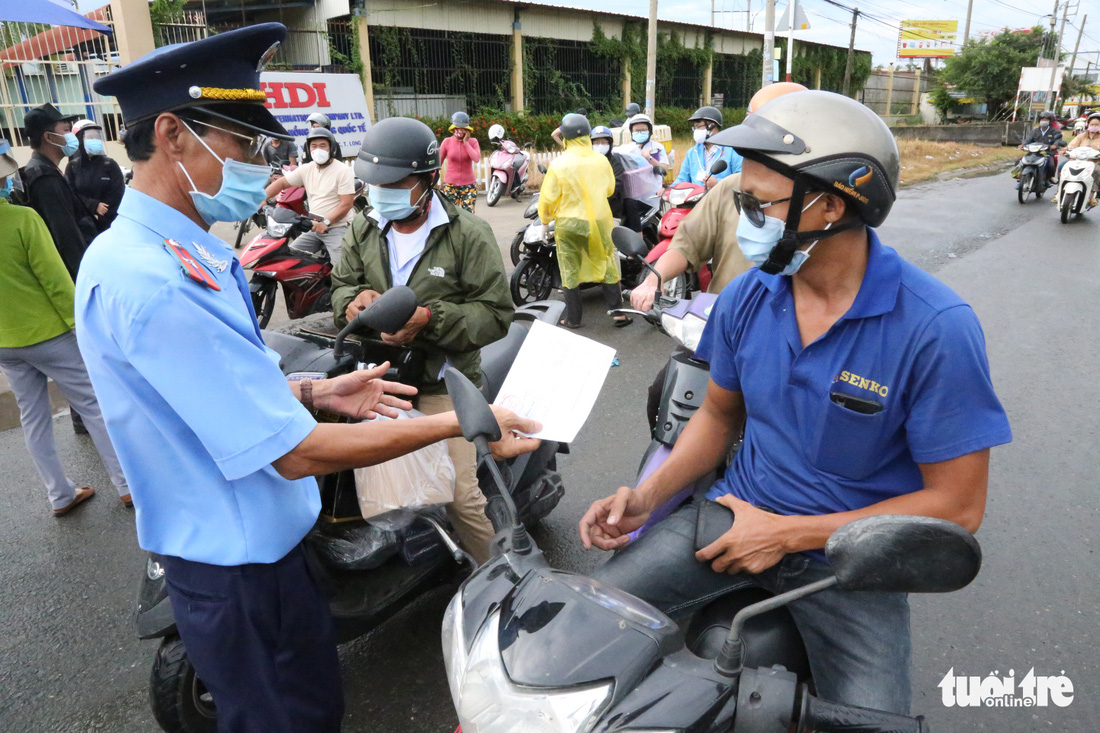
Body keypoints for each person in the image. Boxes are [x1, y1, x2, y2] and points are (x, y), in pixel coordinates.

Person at [77, 25, 538, 732]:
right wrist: (460, 421)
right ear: (173, 135)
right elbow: (292, 451)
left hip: (263, 545)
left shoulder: (161, 255)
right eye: (240, 145)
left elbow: (209, 401)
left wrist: (315, 391)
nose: (259, 166)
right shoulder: (158, 281)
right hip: (241, 569)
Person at [579, 90, 1012, 716]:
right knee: (580, 627)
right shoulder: (746, 298)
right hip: (733, 518)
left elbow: (959, 505)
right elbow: (718, 418)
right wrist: (645, 499)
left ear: (829, 205)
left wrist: (787, 535)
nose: (740, 214)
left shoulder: (935, 328)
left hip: (849, 566)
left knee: (872, 724)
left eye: (756, 203)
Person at [332, 116, 515, 565]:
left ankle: (502, 581)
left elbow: (495, 315)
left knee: (459, 495)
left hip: (442, 385)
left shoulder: (469, 234)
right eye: (374, 183)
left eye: (395, 183)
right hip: (378, 379)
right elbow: (340, 286)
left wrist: (429, 319)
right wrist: (355, 303)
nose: (381, 193)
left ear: (429, 180)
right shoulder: (364, 226)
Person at [0, 139, 130, 515]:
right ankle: (126, 485)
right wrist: (80, 327)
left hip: (6, 343)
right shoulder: (22, 219)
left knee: (33, 418)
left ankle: (59, 494)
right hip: (50, 335)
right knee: (93, 405)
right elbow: (55, 281)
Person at [631, 83, 808, 313]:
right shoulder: (728, 188)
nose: (753, 163)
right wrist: (653, 280)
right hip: (724, 314)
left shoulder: (818, 203)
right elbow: (688, 242)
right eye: (750, 150)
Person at [538, 114, 628, 329]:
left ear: (566, 137)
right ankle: (618, 314)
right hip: (599, 222)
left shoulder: (559, 164)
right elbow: (610, 190)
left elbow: (548, 197)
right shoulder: (601, 160)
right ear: (588, 135)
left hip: (569, 223)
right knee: (607, 263)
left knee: (569, 269)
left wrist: (544, 221)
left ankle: (573, 318)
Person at [21, 103, 97, 281]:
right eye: (66, 130)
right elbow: (67, 238)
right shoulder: (45, 179)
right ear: (49, 137)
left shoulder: (46, 170)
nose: (72, 136)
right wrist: (87, 281)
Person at [264, 126, 355, 265]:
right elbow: (282, 183)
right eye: (314, 146)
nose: (318, 150)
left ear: (331, 148)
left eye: (323, 145)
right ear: (308, 149)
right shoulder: (307, 169)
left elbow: (346, 204)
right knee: (290, 258)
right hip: (313, 227)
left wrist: (327, 222)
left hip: (337, 227)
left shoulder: (342, 170)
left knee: (342, 271)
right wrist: (261, 198)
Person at [66, 119, 126, 234]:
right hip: (83, 227)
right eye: (90, 137)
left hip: (110, 226)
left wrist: (102, 216)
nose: (95, 140)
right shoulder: (72, 167)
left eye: (97, 137)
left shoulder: (110, 165)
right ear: (80, 140)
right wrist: (93, 206)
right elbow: (71, 194)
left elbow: (118, 193)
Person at [616, 112, 668, 232]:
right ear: (632, 132)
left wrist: (649, 157)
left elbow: (664, 169)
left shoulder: (657, 147)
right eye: (636, 130)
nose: (640, 133)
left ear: (650, 131)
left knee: (630, 204)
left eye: (643, 130)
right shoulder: (626, 149)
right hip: (631, 191)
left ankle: (637, 238)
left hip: (651, 194)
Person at [674, 105, 741, 187]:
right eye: (694, 127)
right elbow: (682, 179)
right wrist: (668, 190)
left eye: (698, 127)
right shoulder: (692, 153)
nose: (696, 131)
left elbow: (740, 179)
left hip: (721, 198)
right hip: (696, 198)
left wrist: (718, 183)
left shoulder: (732, 151)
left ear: (711, 125)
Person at [438, 111, 481, 213]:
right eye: (457, 128)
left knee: (468, 215)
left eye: (463, 128)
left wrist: (466, 142)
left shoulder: (473, 142)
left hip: (469, 185)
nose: (460, 131)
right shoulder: (447, 142)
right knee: (450, 214)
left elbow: (476, 158)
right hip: (450, 185)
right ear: (453, 128)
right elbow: (438, 162)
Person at [1059, 111, 1100, 206]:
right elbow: (1072, 145)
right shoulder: (1081, 136)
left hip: (1095, 162)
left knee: (1097, 171)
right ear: (1087, 124)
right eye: (1092, 124)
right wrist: (1066, 149)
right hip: (1077, 161)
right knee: (1062, 167)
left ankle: (1093, 195)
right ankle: (1059, 191)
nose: (1094, 126)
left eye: (1097, 124)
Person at [590, 125, 625, 218]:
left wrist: (600, 201)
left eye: (603, 142)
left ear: (610, 144)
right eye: (596, 143)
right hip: (588, 210)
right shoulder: (587, 161)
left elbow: (616, 185)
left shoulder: (615, 162)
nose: (600, 146)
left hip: (611, 211)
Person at [1020, 111, 1064, 183]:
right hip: (1033, 152)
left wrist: (1055, 145)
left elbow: (1058, 139)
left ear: (1050, 121)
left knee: (1051, 164)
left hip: (1047, 153)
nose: (1044, 121)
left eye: (1046, 120)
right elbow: (1028, 138)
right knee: (1021, 161)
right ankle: (1021, 178)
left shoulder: (1055, 131)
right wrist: (1023, 144)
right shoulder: (1034, 131)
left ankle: (1049, 178)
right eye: (1042, 120)